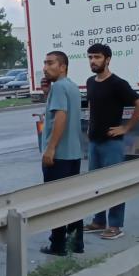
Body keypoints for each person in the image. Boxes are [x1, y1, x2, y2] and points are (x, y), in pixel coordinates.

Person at [82, 43, 139, 240]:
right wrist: (90, 126)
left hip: (112, 143)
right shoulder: (90, 82)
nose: (93, 61)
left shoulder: (118, 83)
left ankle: (116, 225)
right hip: (94, 142)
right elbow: (93, 105)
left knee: (114, 184)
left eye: (97, 57)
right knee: (96, 184)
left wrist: (125, 128)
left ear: (108, 59)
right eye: (90, 57)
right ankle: (99, 221)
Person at [40, 51, 84, 256]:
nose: (45, 67)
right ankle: (76, 243)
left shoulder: (58, 87)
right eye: (45, 63)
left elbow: (60, 117)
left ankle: (57, 245)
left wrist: (51, 148)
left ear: (63, 66)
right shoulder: (72, 86)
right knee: (73, 200)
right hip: (74, 153)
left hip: (59, 156)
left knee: (56, 201)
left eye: (50, 63)